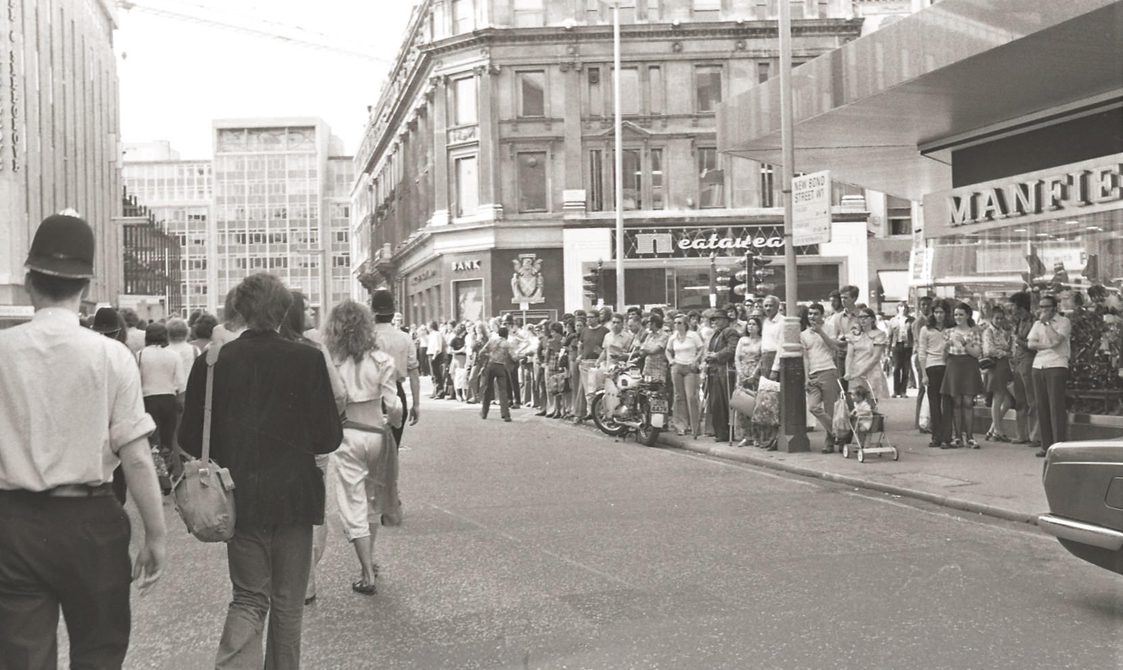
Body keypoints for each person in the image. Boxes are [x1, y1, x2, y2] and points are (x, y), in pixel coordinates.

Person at [0, 213, 166, 667]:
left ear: (30, 281)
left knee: (20, 657)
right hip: (91, 521)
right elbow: (135, 458)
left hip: (13, 523)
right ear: (86, 289)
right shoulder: (112, 356)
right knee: (99, 651)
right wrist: (156, 533)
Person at [178, 273, 343, 669]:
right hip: (296, 496)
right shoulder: (307, 358)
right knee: (288, 604)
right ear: (283, 310)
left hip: (240, 496)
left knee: (250, 598)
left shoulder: (213, 361)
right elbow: (327, 439)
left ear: (239, 310)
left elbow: (190, 436)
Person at [323, 301, 404, 596]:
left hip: (348, 435)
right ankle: (370, 560)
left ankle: (367, 572)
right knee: (372, 498)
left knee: (352, 502)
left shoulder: (333, 362)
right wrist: (390, 422)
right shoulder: (382, 359)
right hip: (377, 434)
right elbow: (394, 405)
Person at [280, 289, 348, 607]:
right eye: (306, 308)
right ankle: (305, 582)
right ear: (294, 313)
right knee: (313, 509)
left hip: (275, 443)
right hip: (310, 444)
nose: (312, 312)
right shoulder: (314, 348)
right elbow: (338, 394)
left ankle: (280, 574)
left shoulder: (268, 347)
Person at [137, 322, 188, 491]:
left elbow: (136, 381)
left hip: (148, 400)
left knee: (153, 442)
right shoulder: (173, 356)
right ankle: (167, 472)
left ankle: (160, 476)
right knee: (167, 440)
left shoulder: (140, 355)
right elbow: (181, 382)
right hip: (169, 399)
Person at [370, 289, 421, 449]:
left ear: (373, 311)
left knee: (370, 453)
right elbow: (414, 374)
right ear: (393, 313)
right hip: (396, 393)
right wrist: (416, 404)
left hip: (369, 395)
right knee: (391, 452)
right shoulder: (404, 338)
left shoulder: (366, 337)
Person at [1029, 294, 1072, 458]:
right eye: (1041, 307)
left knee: (1056, 406)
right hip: (1038, 365)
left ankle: (1059, 446)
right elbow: (1030, 343)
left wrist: (1047, 324)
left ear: (1054, 308)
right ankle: (1046, 445)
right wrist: (1046, 345)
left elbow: (1057, 341)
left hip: (1057, 364)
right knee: (1042, 406)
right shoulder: (1036, 323)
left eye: (1047, 307)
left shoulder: (1064, 322)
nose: (1043, 310)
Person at [797, 303, 844, 453]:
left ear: (822, 315)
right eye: (810, 314)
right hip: (813, 374)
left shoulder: (829, 327)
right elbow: (805, 358)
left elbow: (835, 347)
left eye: (816, 313)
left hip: (828, 370)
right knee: (813, 407)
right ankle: (840, 433)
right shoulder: (803, 334)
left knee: (830, 409)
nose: (812, 316)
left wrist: (820, 332)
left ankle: (829, 442)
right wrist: (806, 377)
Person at [942, 301, 985, 449]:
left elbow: (977, 353)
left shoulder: (975, 332)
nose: (958, 317)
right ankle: (958, 436)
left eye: (961, 314)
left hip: (969, 366)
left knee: (968, 402)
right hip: (953, 365)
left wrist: (965, 343)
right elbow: (944, 357)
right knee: (957, 402)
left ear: (967, 315)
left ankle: (970, 437)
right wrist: (945, 348)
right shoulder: (948, 332)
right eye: (955, 315)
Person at [917, 300, 955, 449]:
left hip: (948, 366)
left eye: (942, 312)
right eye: (936, 312)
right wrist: (923, 374)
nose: (939, 315)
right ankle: (936, 436)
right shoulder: (926, 330)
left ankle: (947, 437)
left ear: (946, 314)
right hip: (932, 367)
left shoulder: (951, 329)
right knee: (934, 402)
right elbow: (922, 352)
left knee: (947, 402)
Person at [666, 313, 706, 437]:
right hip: (677, 366)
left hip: (690, 367)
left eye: (679, 323)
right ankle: (681, 426)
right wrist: (671, 361)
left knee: (691, 396)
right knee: (679, 396)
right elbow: (668, 350)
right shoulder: (673, 337)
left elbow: (701, 348)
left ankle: (695, 427)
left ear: (685, 324)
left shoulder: (693, 335)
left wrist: (696, 360)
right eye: (675, 323)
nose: (677, 325)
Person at [1008, 292, 1039, 448]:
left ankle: (1035, 435)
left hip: (1028, 360)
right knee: (1020, 400)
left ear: (1019, 306)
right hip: (1018, 361)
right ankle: (1021, 434)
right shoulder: (1017, 321)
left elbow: (1033, 345)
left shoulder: (1034, 322)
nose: (1011, 308)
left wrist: (1017, 340)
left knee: (1032, 399)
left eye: (1013, 305)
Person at [703, 310, 739, 443]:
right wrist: (709, 357)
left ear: (725, 319)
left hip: (724, 371)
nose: (715, 322)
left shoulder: (730, 332)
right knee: (715, 403)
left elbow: (732, 348)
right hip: (714, 371)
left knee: (723, 402)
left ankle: (726, 431)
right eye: (713, 320)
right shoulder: (716, 334)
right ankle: (719, 431)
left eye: (718, 319)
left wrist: (716, 355)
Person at [983, 308, 1015, 442]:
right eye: (997, 318)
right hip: (996, 365)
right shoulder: (988, 332)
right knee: (998, 397)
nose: (1000, 321)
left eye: (1002, 318)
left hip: (1005, 366)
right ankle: (997, 429)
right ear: (991, 318)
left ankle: (993, 428)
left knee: (1008, 401)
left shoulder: (1003, 332)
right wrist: (1004, 353)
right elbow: (988, 350)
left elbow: (1010, 348)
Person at [845, 306, 890, 402]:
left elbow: (875, 358)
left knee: (871, 401)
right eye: (860, 317)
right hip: (855, 371)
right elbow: (849, 355)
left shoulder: (879, 334)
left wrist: (860, 372)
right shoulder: (853, 335)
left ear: (872, 319)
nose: (862, 320)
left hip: (872, 371)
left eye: (865, 317)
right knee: (856, 402)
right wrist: (848, 371)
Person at [733, 316, 763, 447]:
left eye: (754, 324)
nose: (751, 326)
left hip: (755, 373)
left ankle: (756, 435)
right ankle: (746, 435)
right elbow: (736, 357)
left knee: (754, 405)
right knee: (742, 405)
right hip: (742, 372)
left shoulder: (762, 341)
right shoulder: (742, 340)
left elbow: (762, 358)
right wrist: (740, 372)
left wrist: (754, 374)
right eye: (749, 324)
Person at [575, 311, 608, 422]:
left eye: (591, 317)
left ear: (597, 318)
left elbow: (606, 348)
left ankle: (601, 412)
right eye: (587, 317)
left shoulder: (604, 331)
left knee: (598, 389)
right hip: (585, 362)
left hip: (598, 362)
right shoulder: (585, 330)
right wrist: (580, 355)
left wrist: (601, 356)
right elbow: (580, 344)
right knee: (588, 390)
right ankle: (591, 412)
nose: (588, 319)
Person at [480, 326, 515, 422]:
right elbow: (514, 356)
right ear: (506, 334)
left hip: (490, 365)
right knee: (503, 391)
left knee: (487, 389)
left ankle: (484, 412)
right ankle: (505, 414)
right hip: (501, 366)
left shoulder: (492, 341)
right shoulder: (506, 344)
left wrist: (489, 357)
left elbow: (482, 352)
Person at [912, 296, 933, 429]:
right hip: (921, 356)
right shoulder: (919, 322)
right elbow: (919, 342)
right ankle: (919, 421)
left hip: (930, 356)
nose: (925, 307)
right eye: (923, 305)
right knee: (922, 388)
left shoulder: (931, 321)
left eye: (928, 305)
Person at [887, 301, 914, 398]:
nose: (903, 308)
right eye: (901, 306)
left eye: (905, 307)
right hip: (896, 345)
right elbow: (889, 336)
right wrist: (888, 350)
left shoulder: (911, 320)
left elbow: (914, 334)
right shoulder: (893, 320)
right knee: (896, 368)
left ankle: (903, 390)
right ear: (898, 308)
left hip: (908, 346)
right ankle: (895, 390)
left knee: (906, 369)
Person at [759, 296, 784, 376]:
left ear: (777, 307)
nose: (768, 308)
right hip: (764, 359)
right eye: (766, 306)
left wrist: (775, 368)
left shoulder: (783, 321)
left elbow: (781, 346)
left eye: (771, 305)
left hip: (776, 358)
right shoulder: (765, 322)